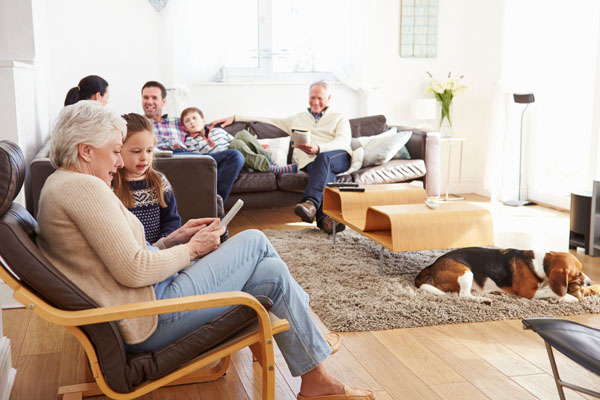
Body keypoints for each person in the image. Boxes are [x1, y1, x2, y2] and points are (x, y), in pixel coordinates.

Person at [35, 100, 373, 400]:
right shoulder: (83, 188)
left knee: (270, 274)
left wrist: (174, 238)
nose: (118, 162)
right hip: (148, 316)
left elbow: (121, 259)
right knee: (254, 240)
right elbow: (134, 270)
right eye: (114, 151)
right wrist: (194, 249)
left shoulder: (64, 185)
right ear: (85, 151)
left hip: (145, 303)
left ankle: (315, 380)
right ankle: (311, 335)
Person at [211, 81, 352, 234]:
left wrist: (319, 148)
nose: (315, 102)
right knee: (325, 173)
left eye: (320, 98)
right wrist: (236, 117)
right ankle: (326, 220)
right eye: (312, 98)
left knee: (324, 158)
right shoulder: (298, 118)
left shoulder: (339, 117)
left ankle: (310, 203)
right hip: (314, 163)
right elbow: (268, 119)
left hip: (339, 155)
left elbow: (343, 142)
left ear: (329, 98)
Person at [141, 81, 244, 204]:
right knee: (199, 160)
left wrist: (234, 117)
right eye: (146, 97)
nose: (149, 101)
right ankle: (211, 209)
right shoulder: (139, 124)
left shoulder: (178, 121)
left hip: (191, 157)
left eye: (154, 98)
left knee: (235, 156)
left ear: (163, 101)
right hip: (163, 159)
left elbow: (199, 125)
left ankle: (213, 205)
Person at [113, 113, 181, 244]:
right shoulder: (111, 184)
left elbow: (171, 220)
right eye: (136, 151)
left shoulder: (159, 181)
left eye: (149, 151)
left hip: (159, 251)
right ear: (118, 149)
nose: (144, 157)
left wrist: (163, 241)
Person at [181, 107, 297, 175]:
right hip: (228, 163)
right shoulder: (190, 141)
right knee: (237, 144)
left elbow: (236, 141)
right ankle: (272, 168)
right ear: (185, 127)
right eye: (187, 121)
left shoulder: (218, 131)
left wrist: (254, 143)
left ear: (203, 120)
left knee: (242, 134)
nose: (191, 122)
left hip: (245, 158)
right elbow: (196, 159)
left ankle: (272, 162)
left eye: (194, 118)